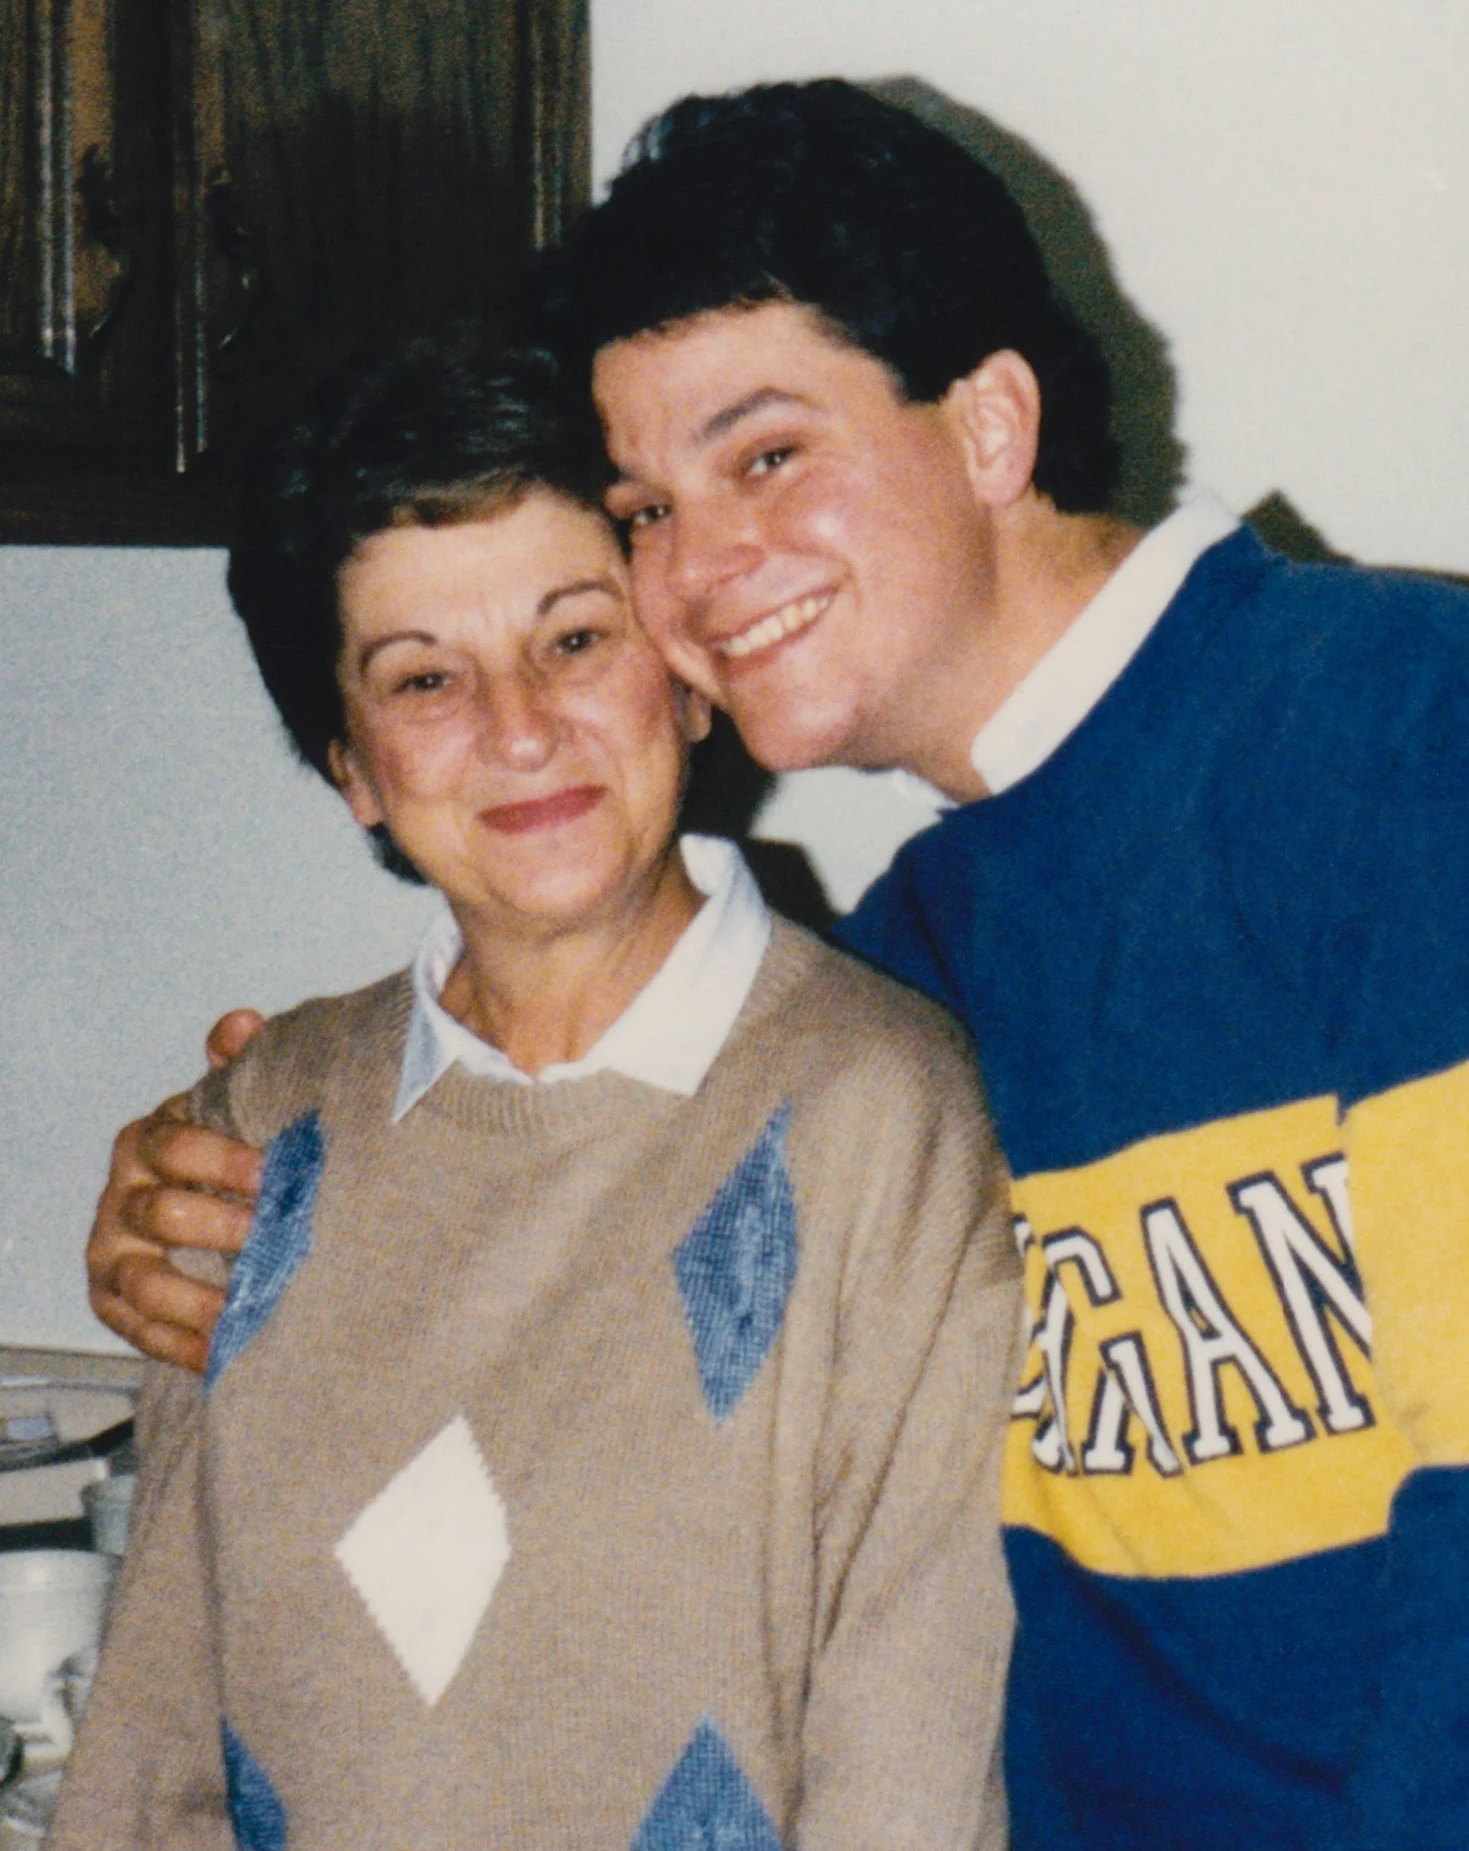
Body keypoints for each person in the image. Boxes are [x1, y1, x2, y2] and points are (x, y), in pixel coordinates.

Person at [87, 81, 1469, 1850]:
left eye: (765, 456)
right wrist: (177, 1207)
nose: (702, 569)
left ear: (988, 427)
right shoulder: (927, 963)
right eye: (647, 506)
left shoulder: (1393, 737)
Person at [50, 326, 1020, 1851]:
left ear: (687, 682)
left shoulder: (879, 1114)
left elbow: (916, 1757)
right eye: (422, 678)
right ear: (351, 767)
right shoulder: (255, 1126)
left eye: (575, 640)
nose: (519, 728)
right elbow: (151, 1736)